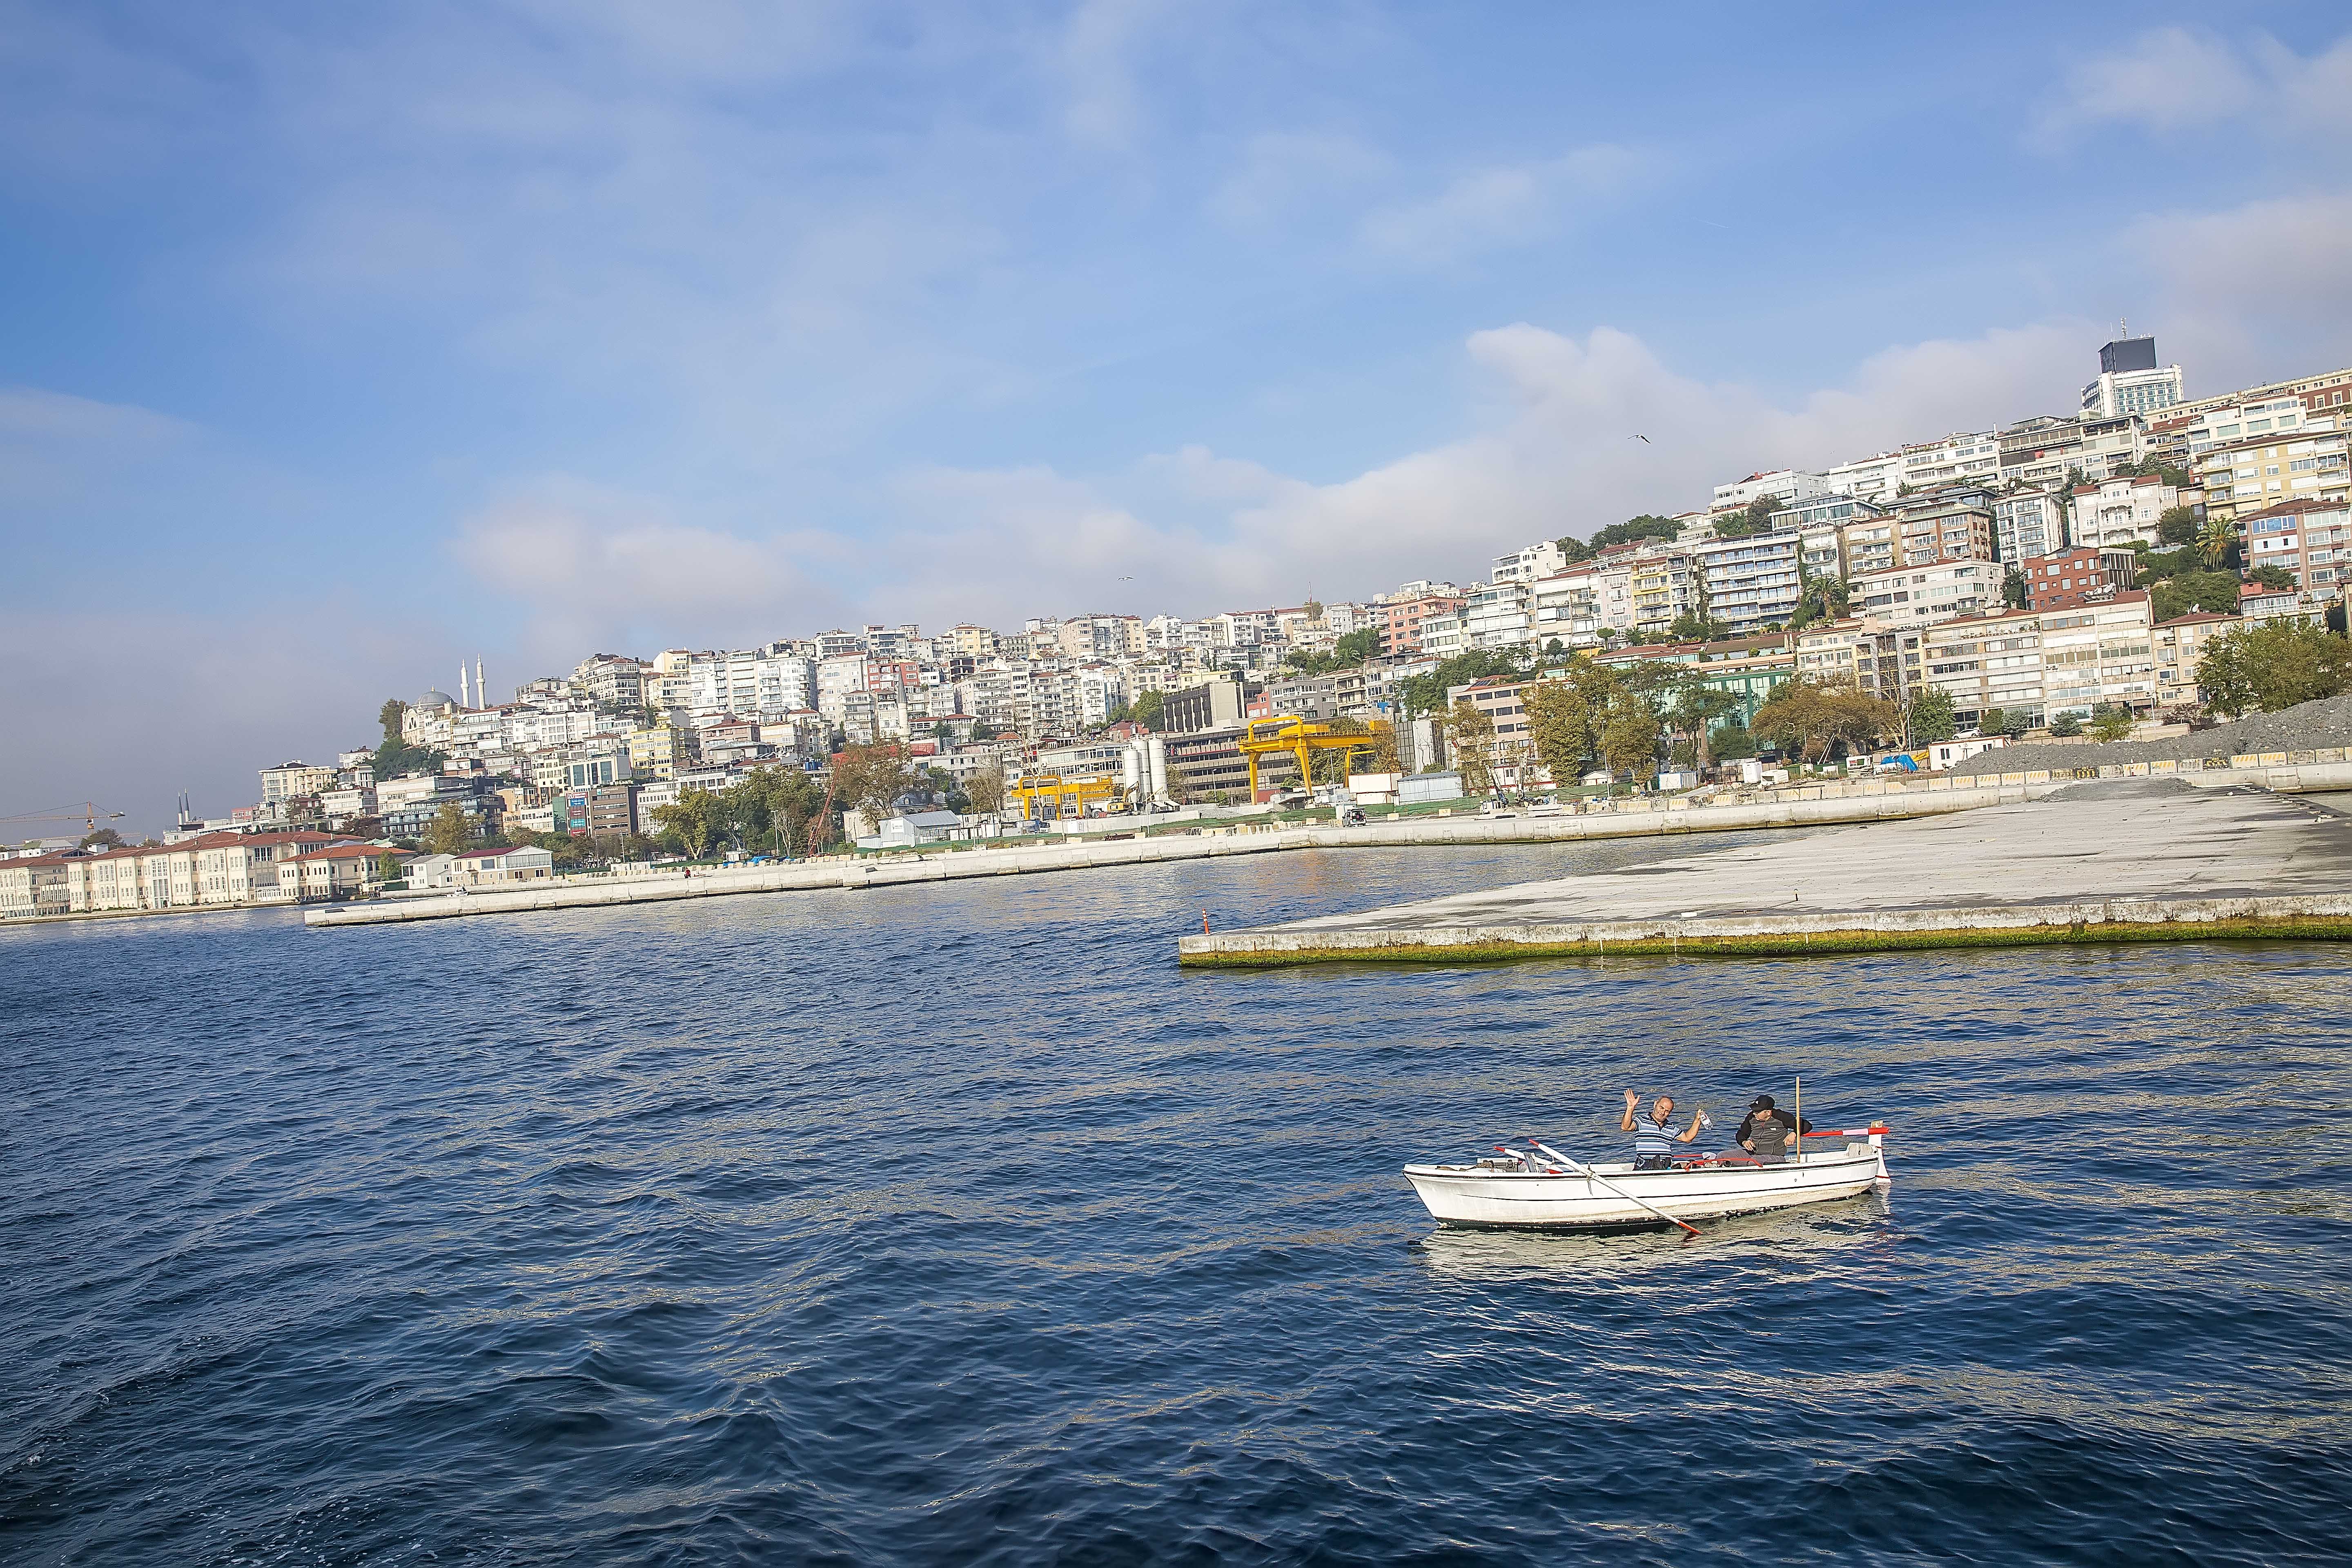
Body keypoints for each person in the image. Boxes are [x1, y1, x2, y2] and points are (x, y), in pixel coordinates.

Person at [1622, 1089, 1705, 1169]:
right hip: (1646, 1167)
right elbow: (1626, 1127)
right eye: (1661, 1108)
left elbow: (1688, 1138)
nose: (1663, 1113)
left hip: (1665, 1166)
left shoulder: (1671, 1127)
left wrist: (1697, 1120)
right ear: (1655, 1105)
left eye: (1667, 1111)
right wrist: (1630, 1107)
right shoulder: (1641, 1121)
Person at [1735, 1095, 1813, 1165]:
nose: (1754, 1113)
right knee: (1724, 1156)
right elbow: (1741, 1134)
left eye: (1758, 1111)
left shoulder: (1781, 1117)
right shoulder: (1751, 1117)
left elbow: (1807, 1125)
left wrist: (1794, 1133)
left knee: (1754, 1161)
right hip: (1753, 1154)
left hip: (1774, 1156)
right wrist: (1744, 1142)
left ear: (1769, 1112)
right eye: (1754, 1110)